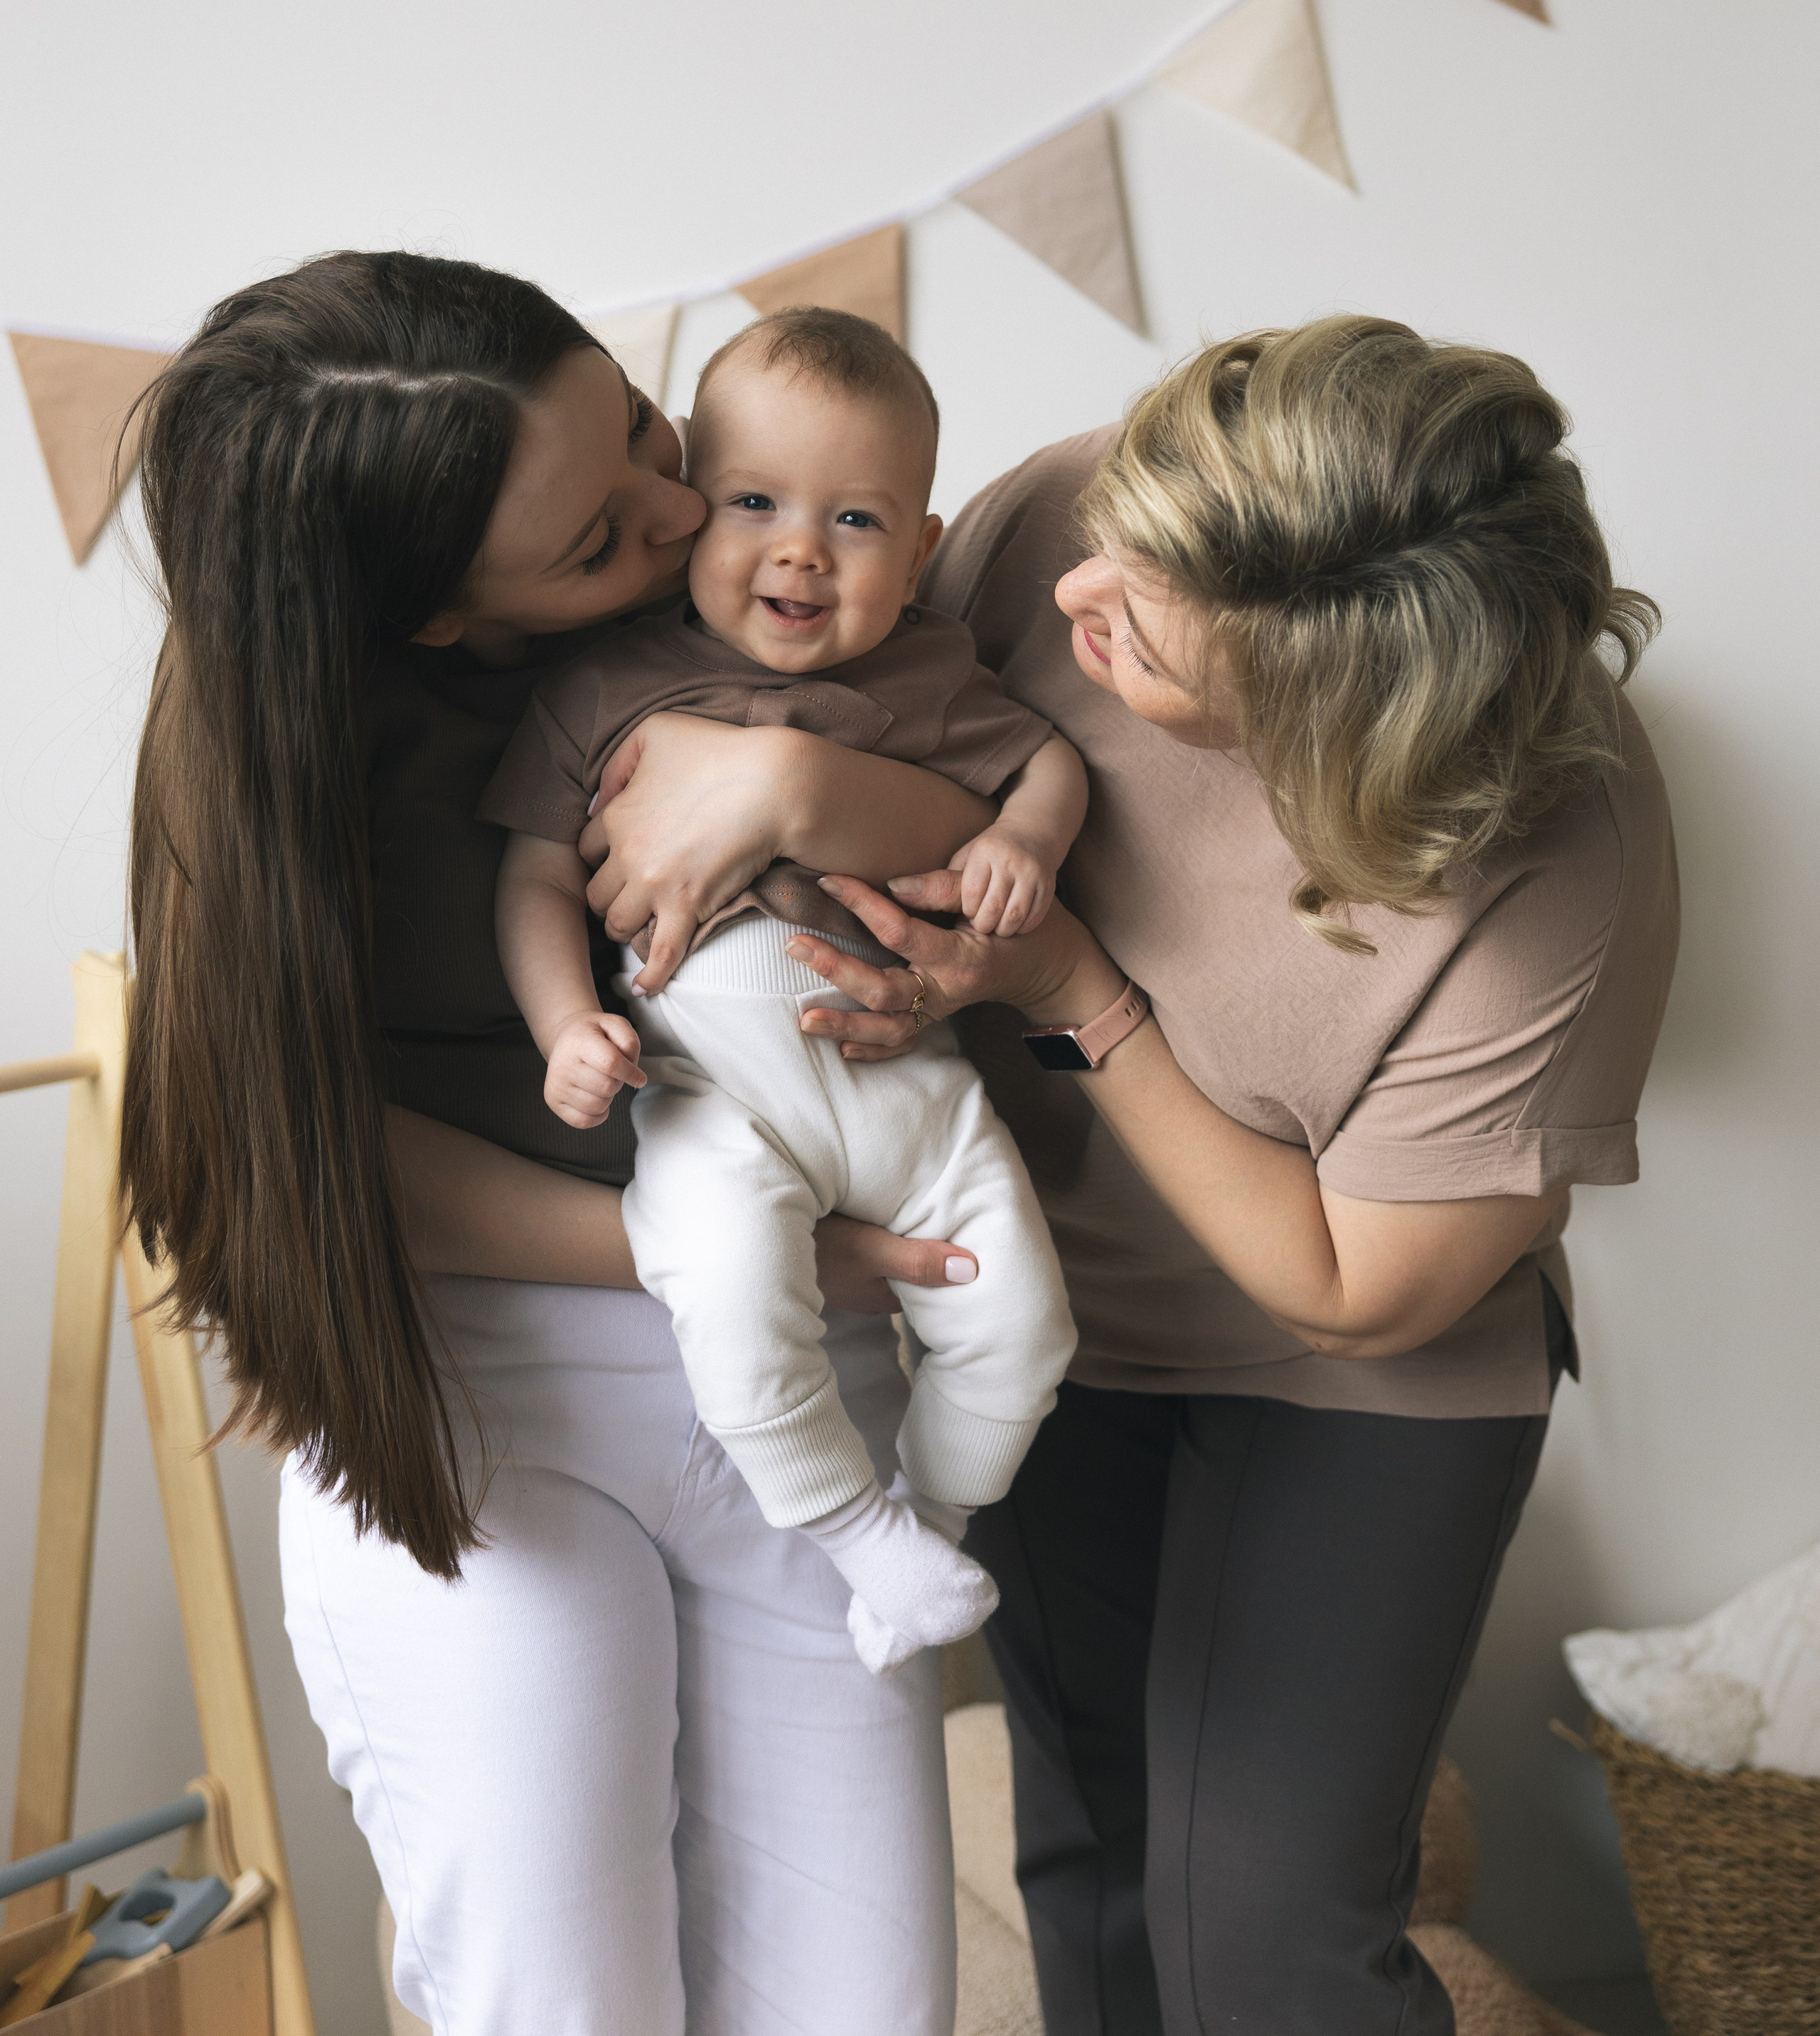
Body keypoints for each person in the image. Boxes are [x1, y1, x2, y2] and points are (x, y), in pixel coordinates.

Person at [659, 316, 1681, 2036]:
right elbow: (795, 720)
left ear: (1318, 703)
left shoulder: (1554, 845)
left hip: (1361, 1380)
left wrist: (1071, 990)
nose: (1073, 591)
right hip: (1054, 1332)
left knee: (1268, 1942)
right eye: (1108, 534)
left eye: (1135, 618)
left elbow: (1353, 1293)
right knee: (1098, 1868)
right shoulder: (1063, 525)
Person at [119, 250, 997, 2036]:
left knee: (869, 2003)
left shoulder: (761, 586)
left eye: (647, 430)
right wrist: (721, 1254)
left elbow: (990, 804)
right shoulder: (282, 767)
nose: (690, 516)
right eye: (603, 535)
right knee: (566, 1999)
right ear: (439, 617)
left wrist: (791, 789)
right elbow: (307, 1159)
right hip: (475, 1409)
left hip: (795, 1394)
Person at [483, 305, 1081, 1673]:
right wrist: (564, 1023)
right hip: (709, 1093)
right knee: (735, 1304)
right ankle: (855, 1537)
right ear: (695, 507)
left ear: (921, 548)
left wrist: (1020, 842)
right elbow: (527, 877)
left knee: (1024, 1322)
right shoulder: (605, 683)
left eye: (859, 521)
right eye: (755, 501)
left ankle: (929, 1531)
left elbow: (1049, 765)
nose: (801, 547)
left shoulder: (927, 671)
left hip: (906, 1081)